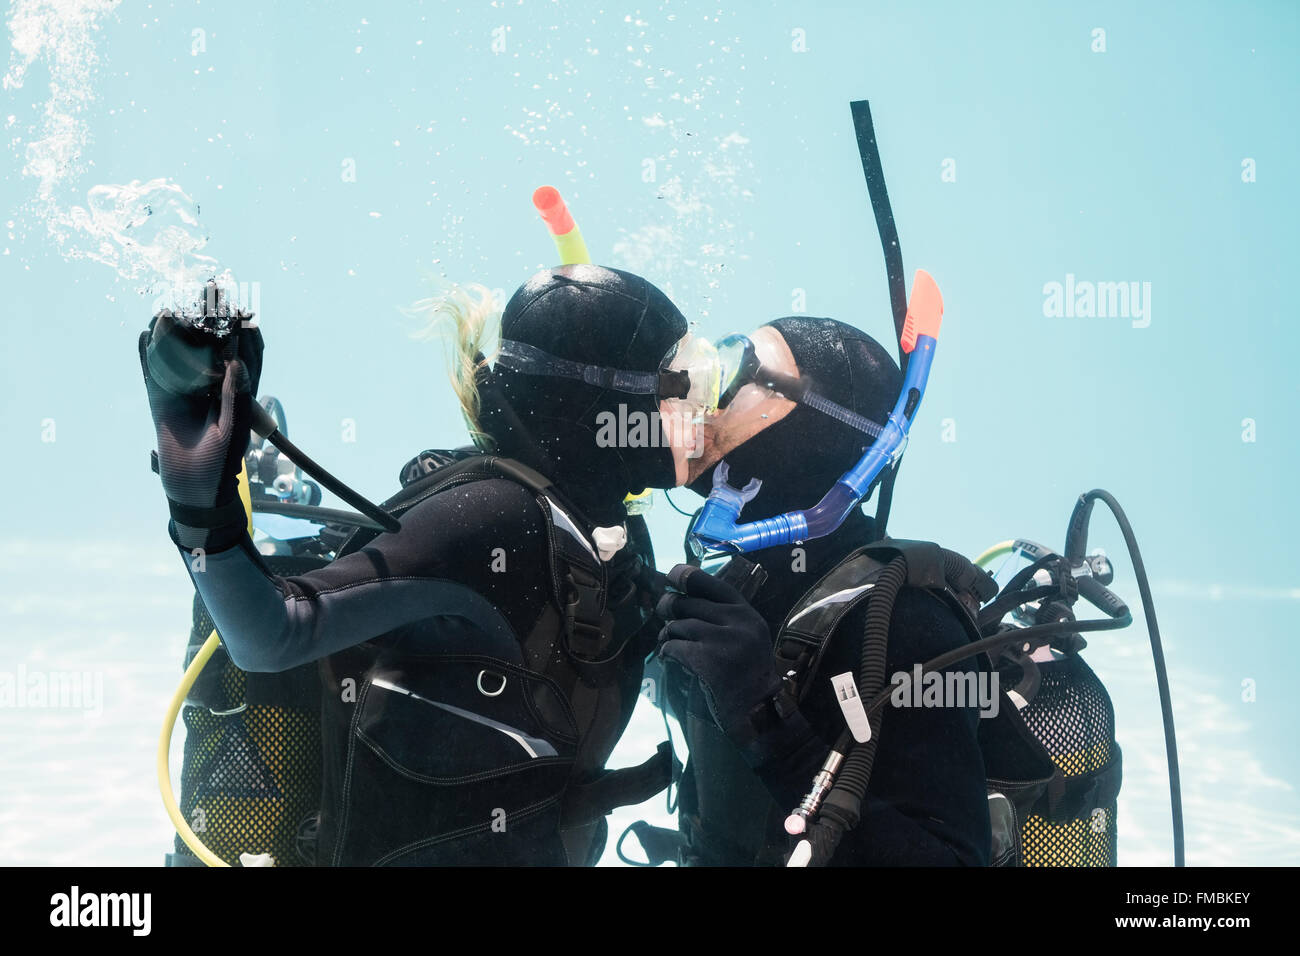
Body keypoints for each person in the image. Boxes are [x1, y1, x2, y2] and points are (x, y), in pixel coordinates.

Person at [141, 263, 711, 865]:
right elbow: (271, 634)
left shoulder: (614, 535)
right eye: (684, 384)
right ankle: (275, 517)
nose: (702, 410)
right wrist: (200, 506)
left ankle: (289, 516)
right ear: (603, 402)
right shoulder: (493, 518)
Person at [643, 316, 993, 866]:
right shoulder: (740, 578)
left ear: (813, 429)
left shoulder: (905, 623)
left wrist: (769, 722)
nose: (708, 397)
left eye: (738, 375)